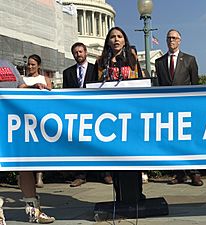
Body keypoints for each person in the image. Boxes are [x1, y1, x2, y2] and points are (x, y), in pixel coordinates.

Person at [93, 27, 145, 202]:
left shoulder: (132, 60)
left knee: (133, 156)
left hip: (131, 116)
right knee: (115, 157)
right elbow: (93, 88)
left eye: (119, 36)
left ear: (125, 40)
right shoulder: (100, 63)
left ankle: (137, 194)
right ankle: (120, 195)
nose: (116, 39)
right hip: (109, 117)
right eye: (112, 37)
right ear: (108, 41)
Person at [0, 59, 54, 224]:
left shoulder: (6, 64)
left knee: (24, 165)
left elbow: (20, 86)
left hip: (14, 123)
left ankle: (33, 211)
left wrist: (33, 88)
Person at [155, 29, 203, 186]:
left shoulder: (189, 60)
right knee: (174, 141)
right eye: (169, 38)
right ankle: (179, 174)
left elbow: (195, 85)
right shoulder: (159, 62)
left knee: (190, 141)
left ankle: (195, 173)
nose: (171, 40)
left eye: (174, 38)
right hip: (168, 109)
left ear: (180, 40)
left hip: (186, 107)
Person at [63, 42, 113, 186]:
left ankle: (105, 174)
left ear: (85, 52)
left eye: (80, 52)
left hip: (94, 112)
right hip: (76, 113)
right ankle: (80, 175)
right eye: (75, 53)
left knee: (99, 142)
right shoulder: (68, 72)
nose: (78, 55)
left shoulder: (96, 69)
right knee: (79, 144)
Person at [22, 54, 52, 188]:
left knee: (39, 146)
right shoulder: (23, 79)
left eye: (33, 64)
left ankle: (39, 177)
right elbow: (19, 89)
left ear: (38, 65)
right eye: (28, 64)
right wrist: (33, 86)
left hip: (40, 115)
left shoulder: (44, 78)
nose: (30, 66)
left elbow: (51, 93)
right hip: (24, 116)